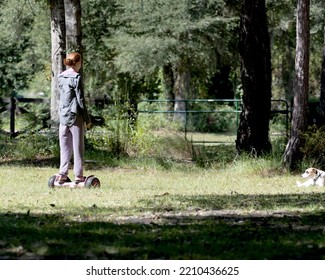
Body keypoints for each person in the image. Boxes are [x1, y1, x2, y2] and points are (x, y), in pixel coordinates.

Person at [57, 52, 91, 184]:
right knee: (78, 147)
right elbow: (80, 100)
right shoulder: (76, 78)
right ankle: (78, 175)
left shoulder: (61, 77)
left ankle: (62, 174)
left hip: (63, 116)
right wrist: (87, 119)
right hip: (75, 116)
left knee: (64, 147)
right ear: (78, 62)